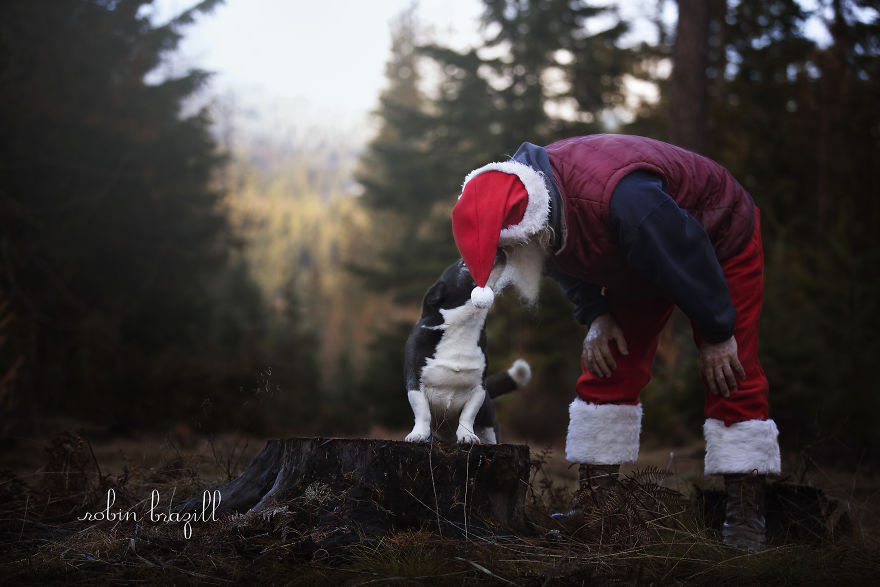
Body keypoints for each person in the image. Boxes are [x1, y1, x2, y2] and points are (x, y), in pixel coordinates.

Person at [450, 134, 781, 551]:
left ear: (534, 226)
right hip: (638, 253)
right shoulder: (528, 211)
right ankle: (597, 505)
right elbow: (559, 262)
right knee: (607, 361)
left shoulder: (627, 203)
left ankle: (746, 515)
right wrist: (597, 314)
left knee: (729, 369)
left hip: (717, 235)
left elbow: (684, 251)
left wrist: (717, 332)